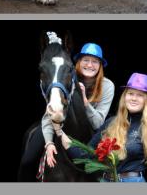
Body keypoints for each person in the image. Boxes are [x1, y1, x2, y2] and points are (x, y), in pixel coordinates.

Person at [19, 43, 115, 178]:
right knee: (27, 161)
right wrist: (49, 143)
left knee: (108, 165)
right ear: (79, 62)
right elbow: (50, 113)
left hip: (92, 131)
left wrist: (85, 102)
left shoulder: (107, 85)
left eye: (95, 61)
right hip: (57, 124)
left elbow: (98, 123)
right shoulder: (66, 76)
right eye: (86, 60)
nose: (90, 65)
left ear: (100, 65)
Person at [57, 72, 147, 182]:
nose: (134, 98)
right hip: (105, 182)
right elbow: (85, 157)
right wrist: (58, 130)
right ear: (125, 96)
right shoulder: (111, 123)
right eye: (130, 93)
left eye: (140, 95)